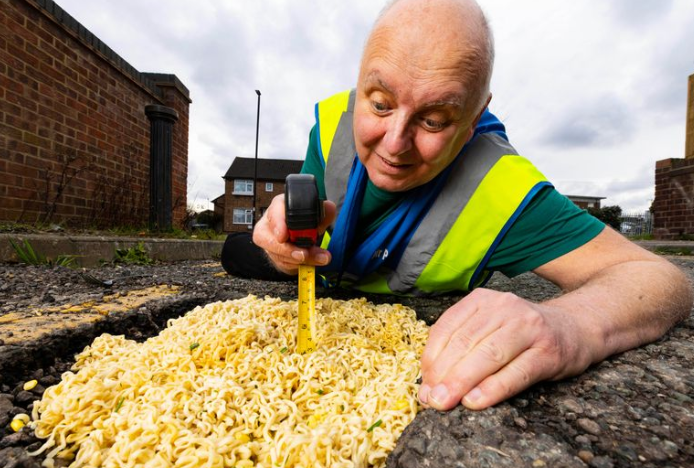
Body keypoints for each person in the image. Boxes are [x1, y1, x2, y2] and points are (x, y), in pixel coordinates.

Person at [228, 0, 693, 411]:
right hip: (332, 281)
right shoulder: (330, 122)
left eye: (434, 119)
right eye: (380, 103)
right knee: (236, 251)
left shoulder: (503, 188)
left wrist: (569, 323)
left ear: (472, 119)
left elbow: (659, 278)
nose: (394, 144)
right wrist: (283, 249)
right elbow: (302, 244)